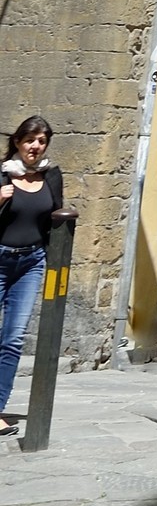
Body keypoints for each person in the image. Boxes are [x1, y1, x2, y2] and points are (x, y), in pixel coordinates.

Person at [0, 117, 64, 436]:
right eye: (30, 140)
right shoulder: (2, 174)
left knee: (13, 339)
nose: (36, 146)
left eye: (41, 141)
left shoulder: (51, 176)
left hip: (32, 262)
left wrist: (56, 261)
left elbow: (57, 218)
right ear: (17, 142)